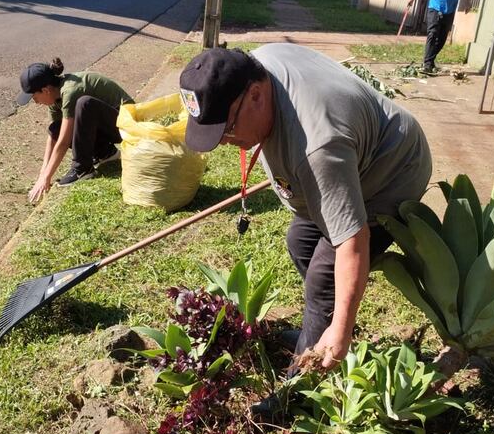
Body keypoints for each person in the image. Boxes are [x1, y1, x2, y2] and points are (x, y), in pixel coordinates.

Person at [178, 44, 432, 374]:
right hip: (346, 153)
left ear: (255, 95)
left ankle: (302, 382)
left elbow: (352, 242)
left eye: (226, 129)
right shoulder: (254, 66)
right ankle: (319, 329)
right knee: (300, 243)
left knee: (323, 278)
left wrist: (341, 332)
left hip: (391, 171)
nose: (225, 142)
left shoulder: (317, 147)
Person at [17, 59, 133, 202]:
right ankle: (106, 153)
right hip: (110, 126)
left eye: (35, 97)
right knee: (55, 127)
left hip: (129, 125)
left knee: (85, 104)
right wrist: (42, 174)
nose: (36, 102)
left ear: (45, 90)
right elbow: (55, 135)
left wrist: (47, 177)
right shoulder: (56, 96)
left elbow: (64, 141)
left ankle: (82, 169)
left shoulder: (70, 91)